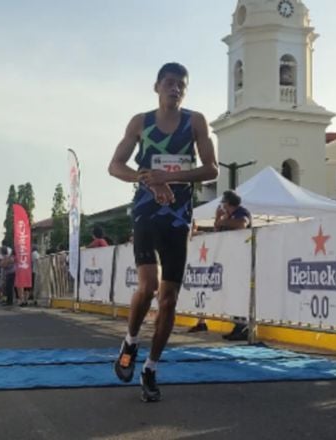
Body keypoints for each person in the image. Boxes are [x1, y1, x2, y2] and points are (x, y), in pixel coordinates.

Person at [108, 62, 218, 402]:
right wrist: (144, 178)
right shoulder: (140, 122)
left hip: (178, 216)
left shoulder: (196, 121)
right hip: (145, 211)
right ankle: (130, 341)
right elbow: (115, 166)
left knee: (169, 298)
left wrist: (169, 179)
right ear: (157, 86)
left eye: (181, 85)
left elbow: (211, 169)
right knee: (149, 286)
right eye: (169, 83)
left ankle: (151, 367)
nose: (175, 89)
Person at [214, 190, 252, 340]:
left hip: (241, 258)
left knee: (239, 293)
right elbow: (217, 229)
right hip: (230, 258)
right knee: (232, 293)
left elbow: (242, 224)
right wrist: (218, 219)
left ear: (229, 203)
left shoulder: (242, 213)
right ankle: (237, 324)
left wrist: (222, 220)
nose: (222, 206)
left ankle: (243, 326)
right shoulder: (226, 217)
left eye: (224, 203)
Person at [0, 241, 15, 306]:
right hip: (8, 273)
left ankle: (9, 301)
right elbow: (2, 264)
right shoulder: (7, 257)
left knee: (9, 288)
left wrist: (3, 263)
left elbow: (3, 265)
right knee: (7, 288)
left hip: (11, 273)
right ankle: (8, 300)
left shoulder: (9, 257)